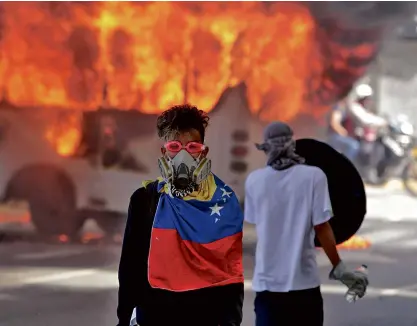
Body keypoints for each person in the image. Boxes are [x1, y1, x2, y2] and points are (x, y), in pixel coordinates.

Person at [116, 104, 244, 326]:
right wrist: (125, 318)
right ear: (164, 151)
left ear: (203, 151)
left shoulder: (224, 201)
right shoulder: (145, 200)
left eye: (192, 147)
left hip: (205, 318)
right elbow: (131, 267)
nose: (183, 154)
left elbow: (230, 273)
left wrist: (231, 321)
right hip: (156, 317)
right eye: (175, 146)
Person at [245, 121, 369, 326]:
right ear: (292, 145)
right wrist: (339, 267)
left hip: (267, 285)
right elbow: (322, 227)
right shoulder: (313, 176)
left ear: (266, 148)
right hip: (303, 285)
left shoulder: (254, 180)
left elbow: (255, 224)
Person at [327, 98, 359, 163]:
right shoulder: (337, 107)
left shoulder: (344, 107)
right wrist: (344, 133)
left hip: (336, 135)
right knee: (353, 145)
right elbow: (334, 123)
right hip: (333, 136)